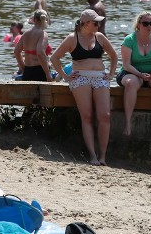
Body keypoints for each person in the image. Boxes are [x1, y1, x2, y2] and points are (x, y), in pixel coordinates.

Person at [50, 10, 118, 165]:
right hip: (80, 77)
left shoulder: (99, 37)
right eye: (96, 23)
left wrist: (111, 74)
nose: (99, 25)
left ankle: (103, 156)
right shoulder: (72, 38)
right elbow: (54, 58)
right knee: (86, 116)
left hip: (100, 77)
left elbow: (114, 56)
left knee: (105, 116)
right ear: (85, 24)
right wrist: (66, 76)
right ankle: (93, 155)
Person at [117, 11, 151, 137]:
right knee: (131, 83)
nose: (149, 26)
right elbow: (126, 64)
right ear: (138, 25)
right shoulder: (129, 40)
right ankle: (128, 124)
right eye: (146, 23)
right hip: (131, 72)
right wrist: (139, 74)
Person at [14, 9, 52, 82]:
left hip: (27, 71)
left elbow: (16, 51)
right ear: (45, 20)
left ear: (34, 19)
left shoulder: (26, 34)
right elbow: (40, 53)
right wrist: (47, 73)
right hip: (40, 71)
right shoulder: (42, 34)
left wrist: (23, 67)